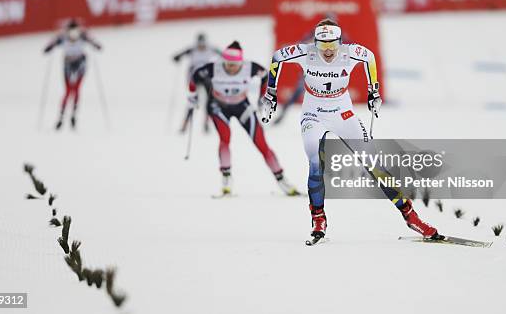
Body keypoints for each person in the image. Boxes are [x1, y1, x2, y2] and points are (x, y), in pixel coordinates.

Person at [261, 19, 439, 244]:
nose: (327, 51)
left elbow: (370, 58)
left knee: (375, 165)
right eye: (322, 45)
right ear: (314, 42)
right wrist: (271, 93)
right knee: (315, 163)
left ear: (340, 42)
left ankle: (412, 217)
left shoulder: (350, 53)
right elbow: (278, 56)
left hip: (343, 114)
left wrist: (373, 91)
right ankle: (318, 218)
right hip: (313, 115)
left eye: (332, 45)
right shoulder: (305, 52)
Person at [188, 41, 300, 197]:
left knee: (262, 144)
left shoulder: (250, 67)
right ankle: (226, 179)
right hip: (218, 106)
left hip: (242, 106)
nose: (231, 67)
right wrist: (192, 96)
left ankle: (282, 180)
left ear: (241, 61)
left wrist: (263, 96)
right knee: (225, 138)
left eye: (234, 64)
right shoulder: (214, 68)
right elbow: (194, 77)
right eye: (227, 63)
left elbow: (266, 76)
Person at [43, 20, 102, 130]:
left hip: (80, 64)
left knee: (76, 89)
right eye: (71, 32)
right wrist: (49, 48)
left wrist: (96, 45)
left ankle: (73, 115)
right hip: (68, 64)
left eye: (75, 32)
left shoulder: (83, 35)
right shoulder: (62, 37)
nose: (73, 35)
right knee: (68, 91)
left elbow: (94, 41)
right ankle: (61, 116)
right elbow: (51, 43)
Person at [173, 34, 221, 133]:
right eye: (200, 45)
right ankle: (185, 125)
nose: (201, 47)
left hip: (206, 77)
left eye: (203, 45)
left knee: (209, 101)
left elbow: (223, 54)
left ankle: (206, 123)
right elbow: (179, 55)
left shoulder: (211, 48)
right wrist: (177, 58)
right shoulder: (192, 49)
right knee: (193, 100)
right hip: (194, 77)